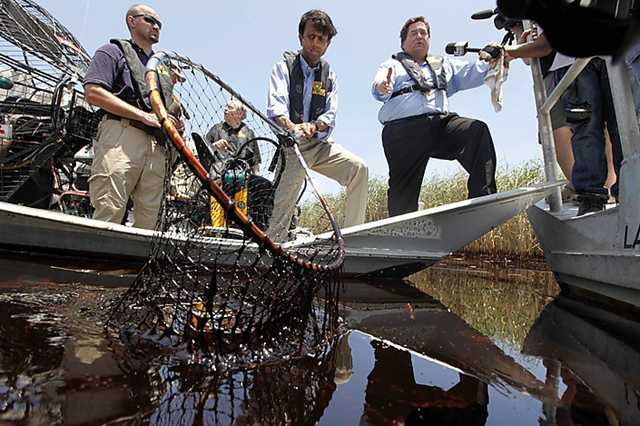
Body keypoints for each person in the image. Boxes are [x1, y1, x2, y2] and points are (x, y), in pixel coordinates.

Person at [372, 16, 497, 217]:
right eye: (414, 33)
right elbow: (379, 89)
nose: (419, 36)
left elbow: (474, 71)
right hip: (404, 130)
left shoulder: (444, 65)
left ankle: (483, 199)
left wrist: (493, 58)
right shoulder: (392, 65)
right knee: (402, 197)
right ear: (403, 42)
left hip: (441, 126)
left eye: (423, 33)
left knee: (476, 131)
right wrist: (382, 87)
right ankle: (401, 227)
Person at [266, 9, 369, 241]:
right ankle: (273, 246)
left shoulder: (330, 75)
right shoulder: (283, 68)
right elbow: (276, 109)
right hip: (292, 147)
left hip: (319, 145)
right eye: (311, 36)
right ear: (300, 37)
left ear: (328, 43)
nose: (315, 43)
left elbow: (330, 115)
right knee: (283, 205)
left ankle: (352, 239)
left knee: (359, 168)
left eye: (321, 38)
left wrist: (313, 126)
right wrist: (294, 128)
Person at [84, 4, 182, 229]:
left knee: (152, 217)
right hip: (122, 134)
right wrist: (142, 116)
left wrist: (174, 121)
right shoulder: (112, 52)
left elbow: (162, 105)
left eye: (159, 23)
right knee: (109, 208)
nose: (156, 26)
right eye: (150, 20)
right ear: (132, 21)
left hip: (156, 145)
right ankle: (97, 264)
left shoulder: (160, 67)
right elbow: (94, 93)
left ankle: (136, 265)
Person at [205, 97, 261, 175]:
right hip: (219, 176)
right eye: (226, 106)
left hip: (242, 178)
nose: (225, 109)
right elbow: (203, 151)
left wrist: (256, 182)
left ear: (240, 114)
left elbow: (255, 163)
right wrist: (214, 146)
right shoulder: (216, 129)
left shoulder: (249, 134)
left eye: (230, 107)